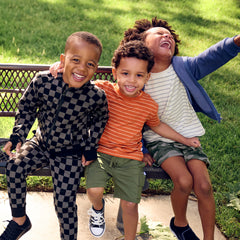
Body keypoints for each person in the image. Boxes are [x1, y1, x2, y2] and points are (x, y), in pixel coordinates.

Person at [121, 17, 240, 240]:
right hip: (158, 139)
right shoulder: (138, 76)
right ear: (142, 44)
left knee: (204, 186)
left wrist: (235, 42)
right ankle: (180, 223)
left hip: (189, 137)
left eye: (170, 35)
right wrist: (142, 149)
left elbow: (211, 57)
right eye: (158, 34)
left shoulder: (184, 67)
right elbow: (131, 113)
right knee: (184, 181)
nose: (167, 36)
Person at [84, 41, 201, 240]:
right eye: (125, 73)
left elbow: (157, 126)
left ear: (147, 77)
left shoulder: (148, 104)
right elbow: (76, 82)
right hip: (101, 153)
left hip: (130, 158)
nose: (131, 81)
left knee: (130, 204)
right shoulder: (103, 90)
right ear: (115, 72)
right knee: (94, 191)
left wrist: (185, 139)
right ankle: (97, 208)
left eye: (139, 75)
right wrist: (59, 69)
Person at [0, 31, 108, 240]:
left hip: (70, 153)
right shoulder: (44, 81)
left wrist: (90, 146)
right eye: (75, 60)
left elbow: (99, 120)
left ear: (95, 68)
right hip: (40, 143)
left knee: (64, 203)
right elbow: (27, 108)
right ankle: (19, 221)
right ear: (62, 60)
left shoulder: (95, 96)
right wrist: (18, 135)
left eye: (90, 64)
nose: (81, 68)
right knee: (14, 167)